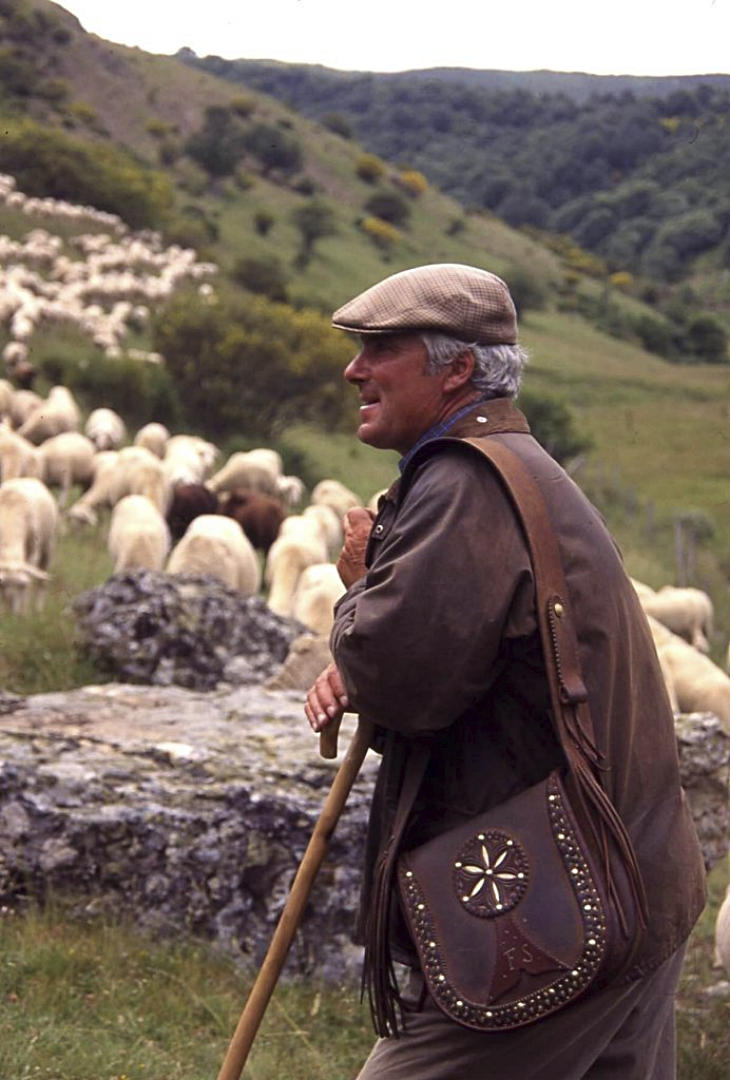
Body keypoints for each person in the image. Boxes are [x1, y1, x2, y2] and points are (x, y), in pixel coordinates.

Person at [304, 263, 705, 1079]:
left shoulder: (466, 484)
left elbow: (395, 679)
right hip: (631, 876)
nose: (354, 369)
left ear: (456, 369)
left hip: (564, 902)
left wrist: (359, 600)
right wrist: (380, 629)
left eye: (381, 349)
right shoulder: (513, 467)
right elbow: (441, 661)